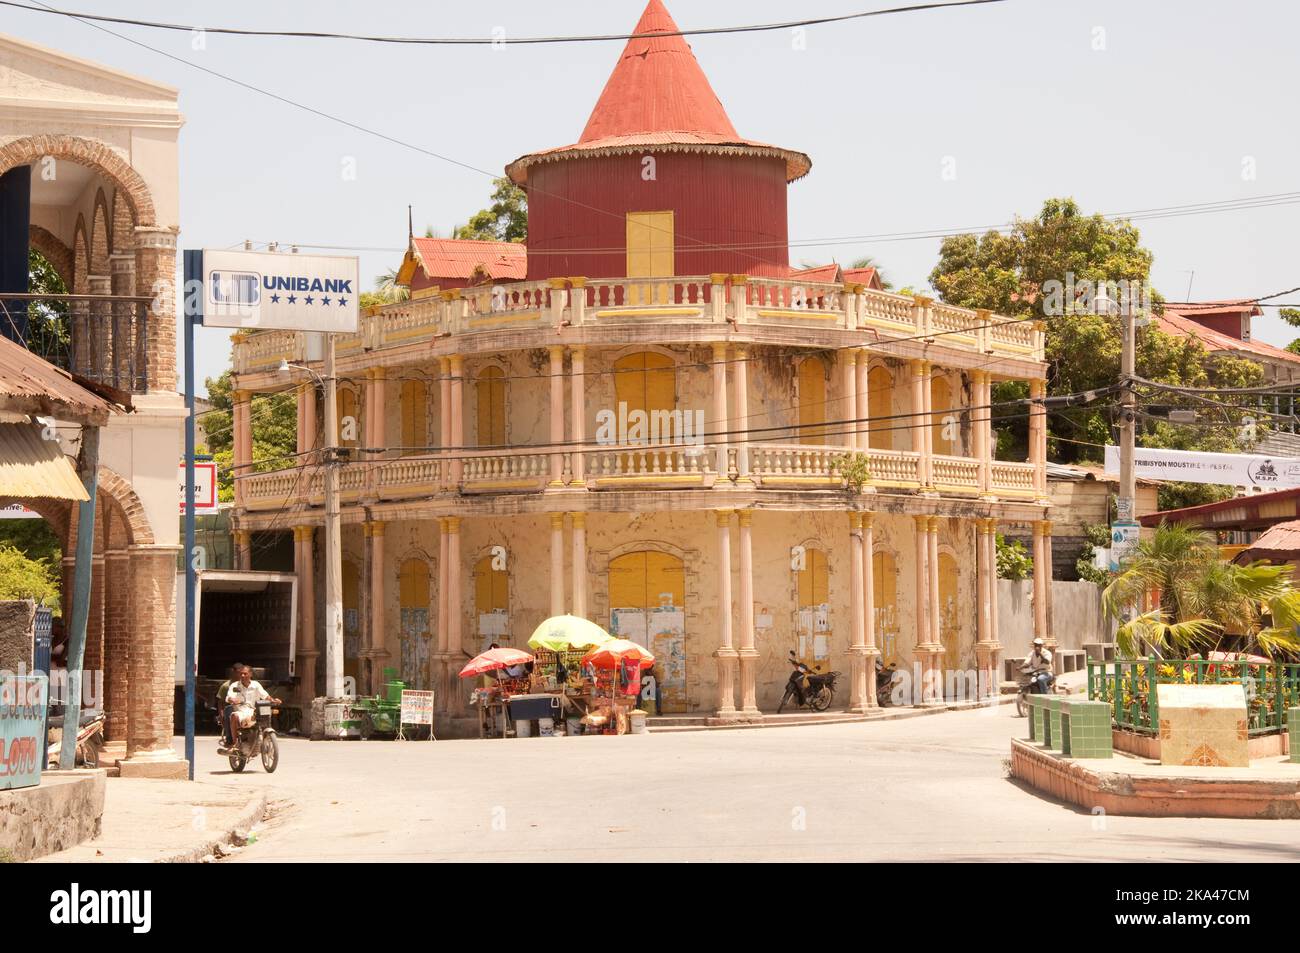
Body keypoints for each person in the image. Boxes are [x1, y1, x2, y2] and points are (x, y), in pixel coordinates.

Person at [223, 665, 280, 752]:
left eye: (245, 674)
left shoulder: (256, 685)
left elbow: (265, 695)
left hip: (254, 711)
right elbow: (229, 697)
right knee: (234, 716)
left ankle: (263, 739)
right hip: (241, 711)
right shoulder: (235, 685)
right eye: (241, 674)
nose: (242, 676)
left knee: (265, 717)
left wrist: (273, 700)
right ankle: (235, 743)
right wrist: (232, 699)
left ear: (250, 674)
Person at [216, 662, 245, 747]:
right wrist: (221, 716)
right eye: (239, 673)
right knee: (229, 710)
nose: (241, 675)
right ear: (234, 672)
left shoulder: (247, 684)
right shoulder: (226, 686)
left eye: (243, 673)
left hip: (243, 708)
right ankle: (230, 740)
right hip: (231, 709)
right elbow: (220, 702)